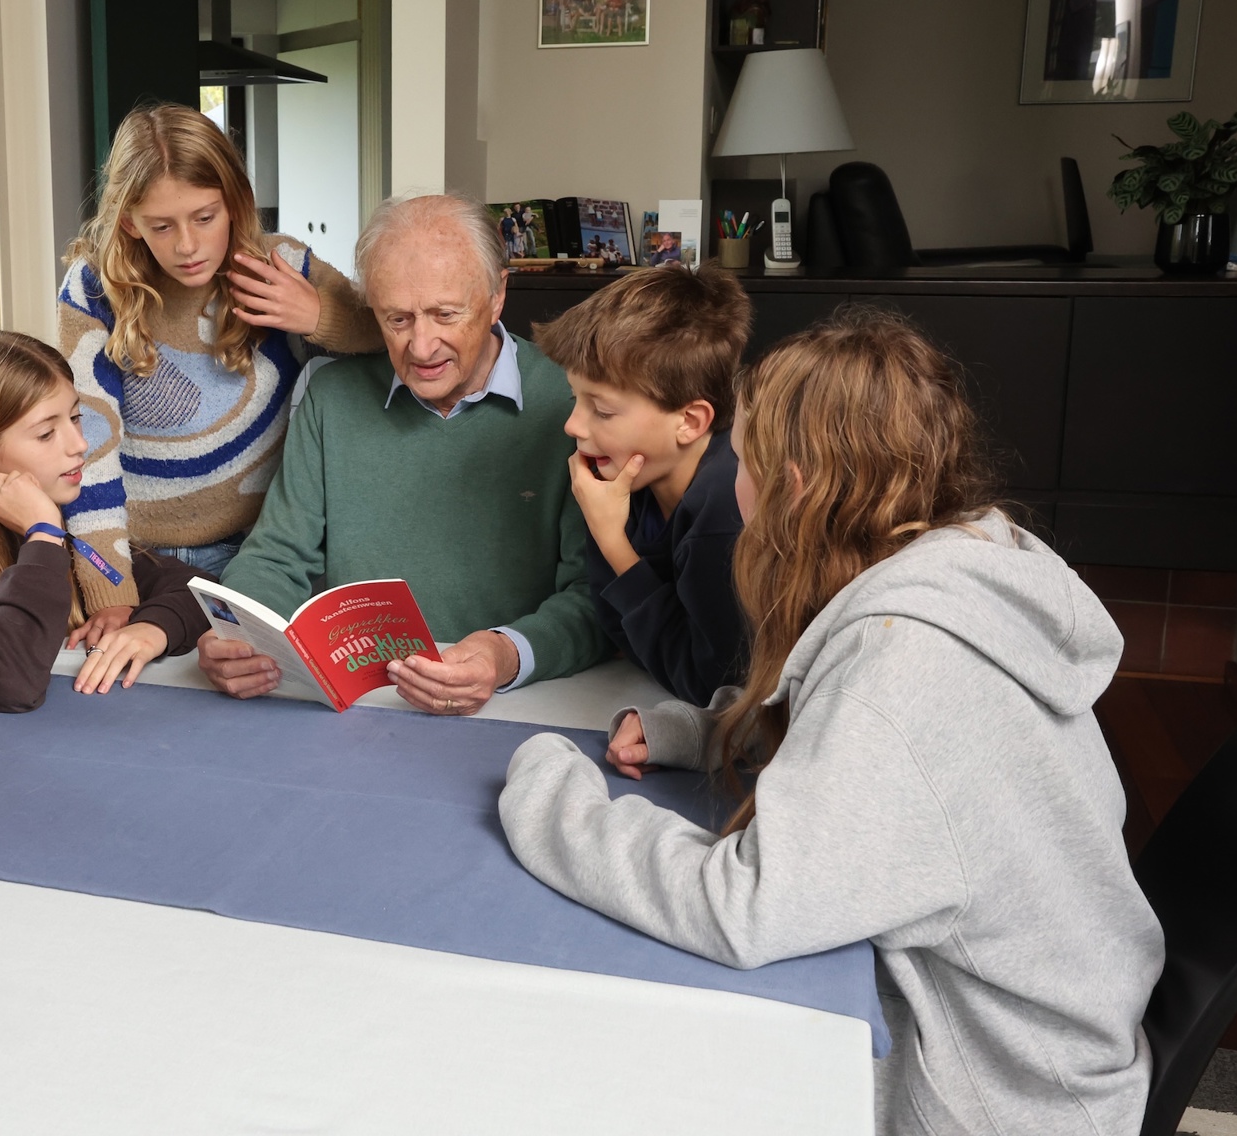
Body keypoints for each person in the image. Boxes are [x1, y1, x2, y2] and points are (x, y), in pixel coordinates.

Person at [498, 310, 1162, 1136]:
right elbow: (844, 731)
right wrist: (700, 734)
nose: (731, 483)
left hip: (1001, 1098)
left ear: (796, 486)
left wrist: (549, 795)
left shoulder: (906, 672)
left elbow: (745, 907)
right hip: (1028, 1039)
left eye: (743, 461)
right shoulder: (957, 566)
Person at [200, 193, 608, 714]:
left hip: (525, 704)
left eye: (445, 314)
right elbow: (275, 558)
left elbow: (594, 596)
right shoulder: (332, 398)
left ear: (497, 296)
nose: (421, 346)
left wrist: (504, 654)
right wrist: (239, 632)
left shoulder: (574, 406)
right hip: (363, 707)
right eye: (397, 319)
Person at [58, 104, 381, 647]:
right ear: (130, 221)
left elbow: (390, 332)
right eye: (162, 226)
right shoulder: (95, 289)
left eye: (205, 217)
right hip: (142, 562)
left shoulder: (280, 263)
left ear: (235, 202)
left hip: (258, 559)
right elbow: (88, 447)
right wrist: (111, 592)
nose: (187, 245)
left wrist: (317, 316)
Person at [0, 331, 211, 713]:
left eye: (75, 418)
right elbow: (8, 680)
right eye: (46, 433)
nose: (79, 444)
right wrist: (43, 534)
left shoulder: (77, 524)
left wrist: (153, 628)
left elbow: (204, 593)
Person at [533, 264, 752, 705]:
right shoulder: (627, 481)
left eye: (603, 411)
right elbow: (622, 633)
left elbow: (714, 688)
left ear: (690, 421)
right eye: (576, 399)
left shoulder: (725, 513)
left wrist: (612, 543)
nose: (573, 425)